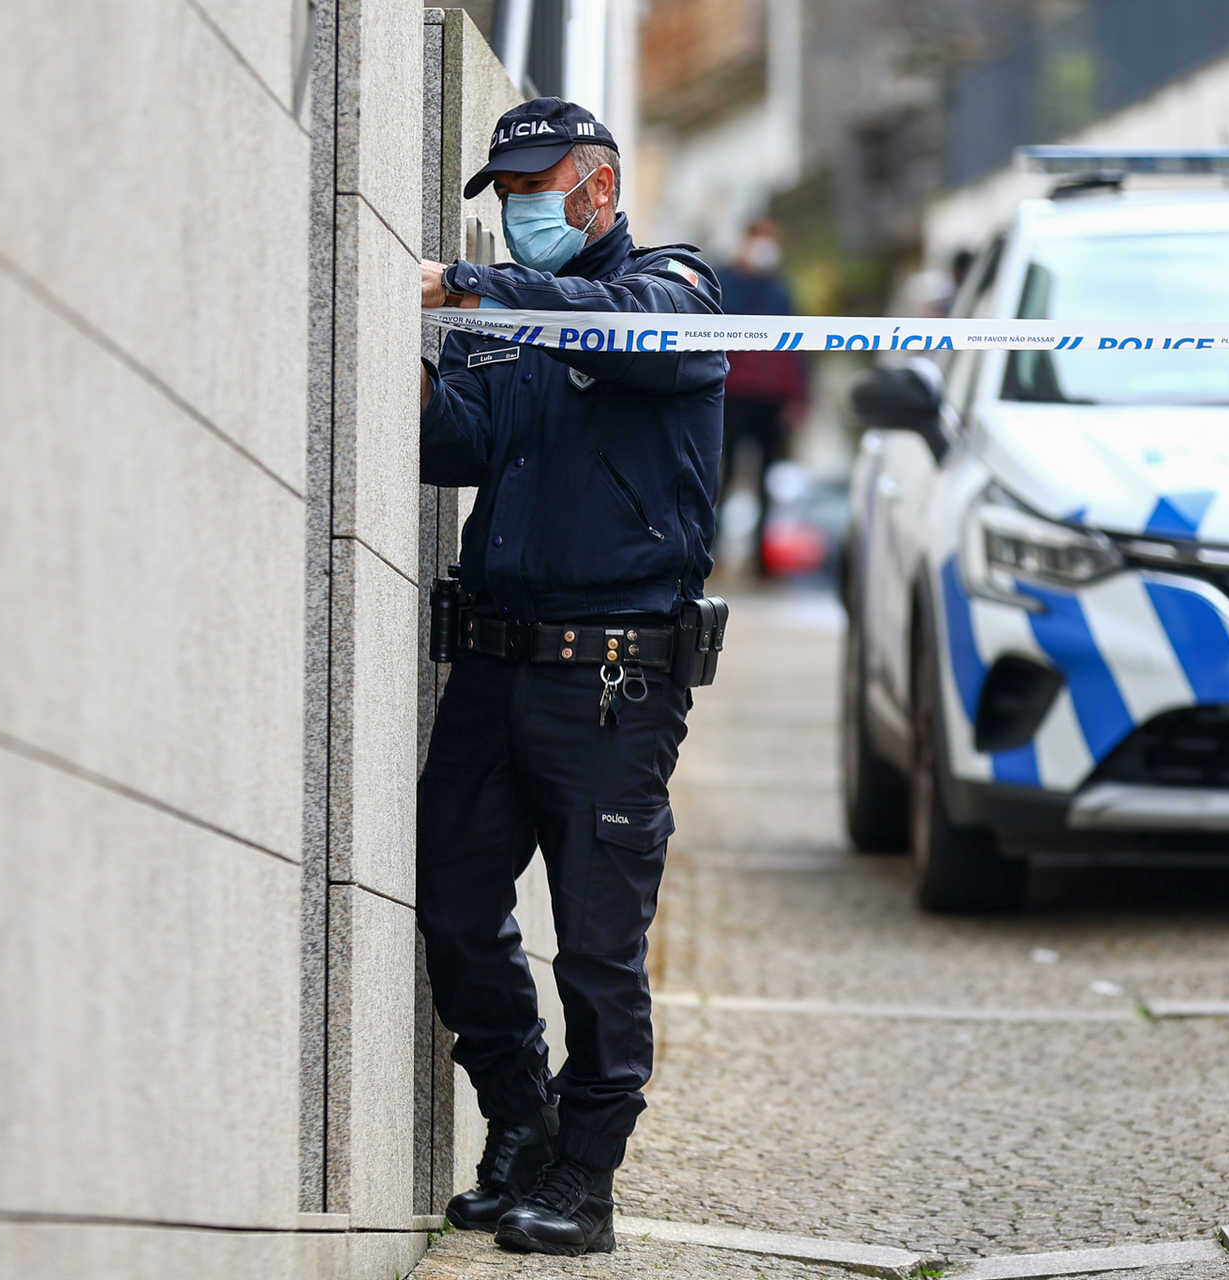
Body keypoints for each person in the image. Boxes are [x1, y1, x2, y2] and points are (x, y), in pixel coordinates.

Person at [415, 96, 726, 1257]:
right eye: (506, 191)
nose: (521, 208)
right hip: (494, 666)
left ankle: (585, 1177)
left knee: (596, 946)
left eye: (538, 185)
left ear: (598, 185)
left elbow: (625, 324)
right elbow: (454, 442)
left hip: (614, 679)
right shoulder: (514, 324)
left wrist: (482, 287)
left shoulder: (674, 291)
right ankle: (520, 1118)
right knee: (451, 904)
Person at [711, 217, 808, 577]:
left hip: (771, 400)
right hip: (732, 394)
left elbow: (798, 348)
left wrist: (798, 398)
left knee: (767, 481)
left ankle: (761, 561)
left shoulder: (781, 290)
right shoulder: (724, 284)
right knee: (723, 475)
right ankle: (713, 552)